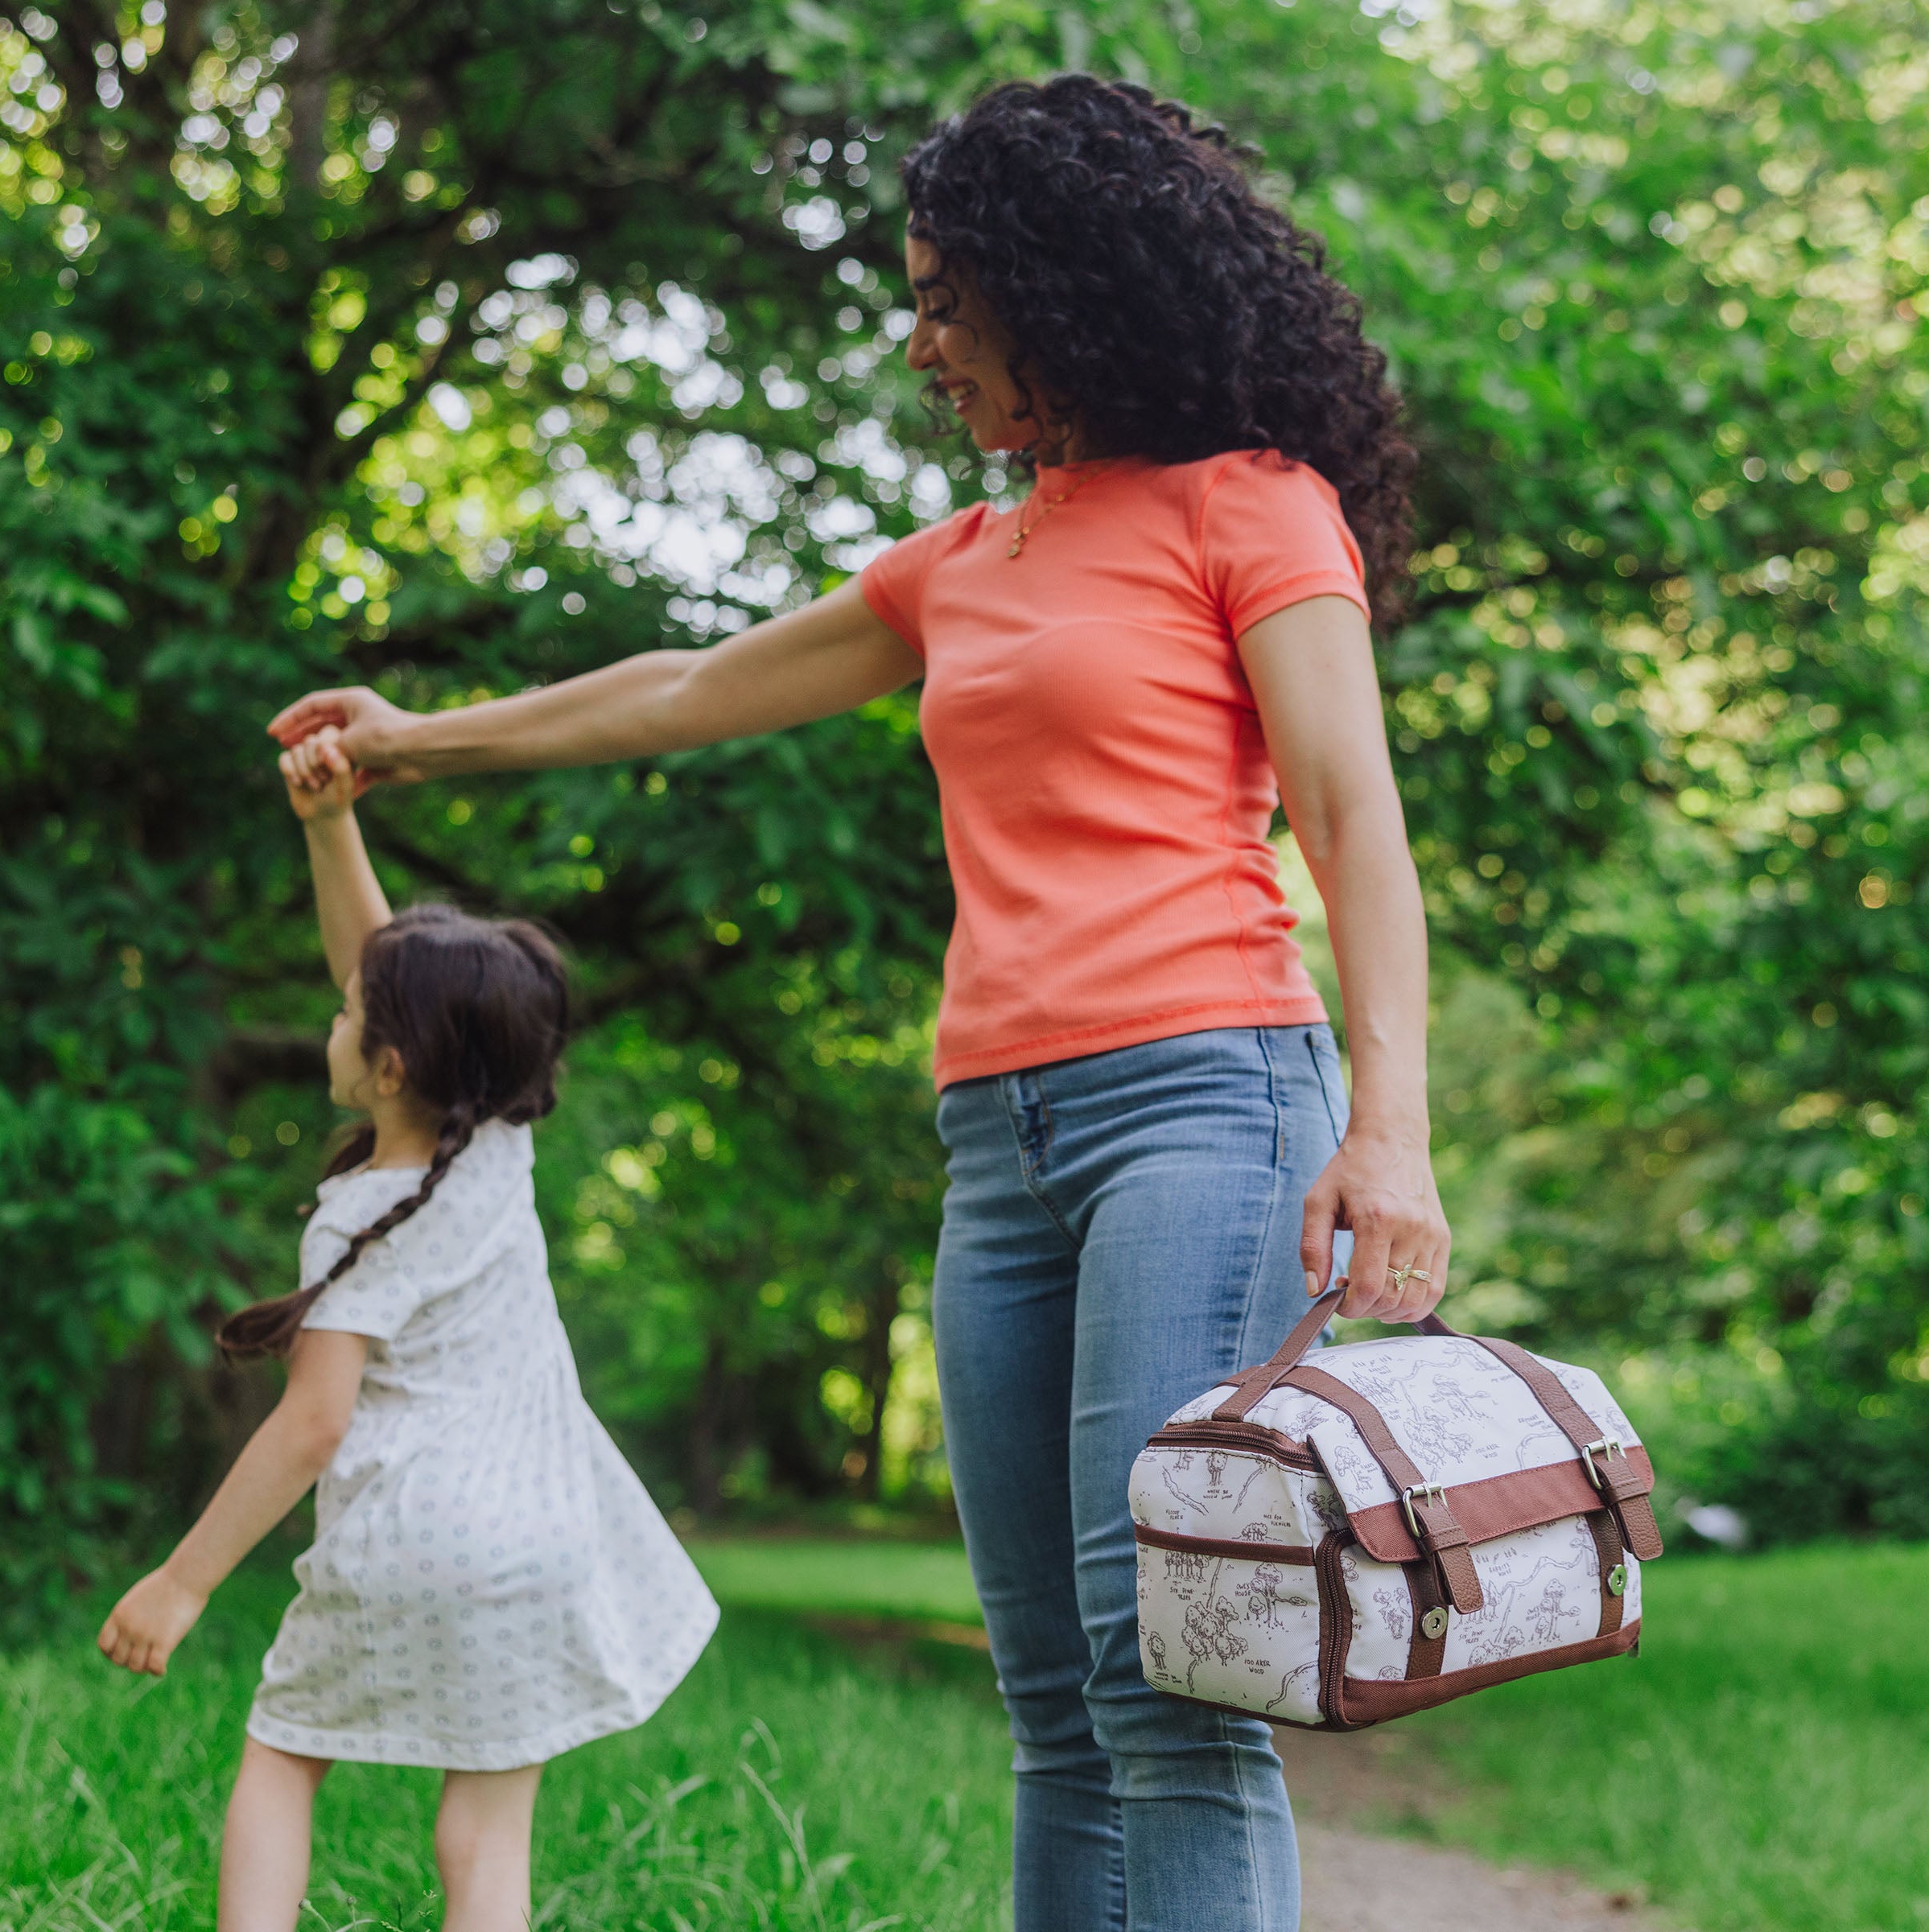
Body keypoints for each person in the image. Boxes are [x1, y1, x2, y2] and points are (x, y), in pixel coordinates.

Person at [266, 73, 1448, 1932]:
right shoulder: (962, 565)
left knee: (1173, 1673)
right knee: (1052, 1700)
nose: (922, 344)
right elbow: (680, 687)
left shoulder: (1255, 509)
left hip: (1207, 1104)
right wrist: (420, 746)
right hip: (1002, 1136)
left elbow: (1356, 820)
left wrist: (1392, 1128)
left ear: (1066, 295)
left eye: (949, 301)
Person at [95, 731, 719, 1932]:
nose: (332, 1017)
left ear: (386, 1066)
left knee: (282, 1755)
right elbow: (388, 978)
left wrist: (184, 1581)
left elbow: (313, 1421)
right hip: (537, 1546)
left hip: (403, 1543)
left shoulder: (354, 1220)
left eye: (346, 1017)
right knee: (482, 1840)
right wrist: (333, 827)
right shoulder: (492, 1148)